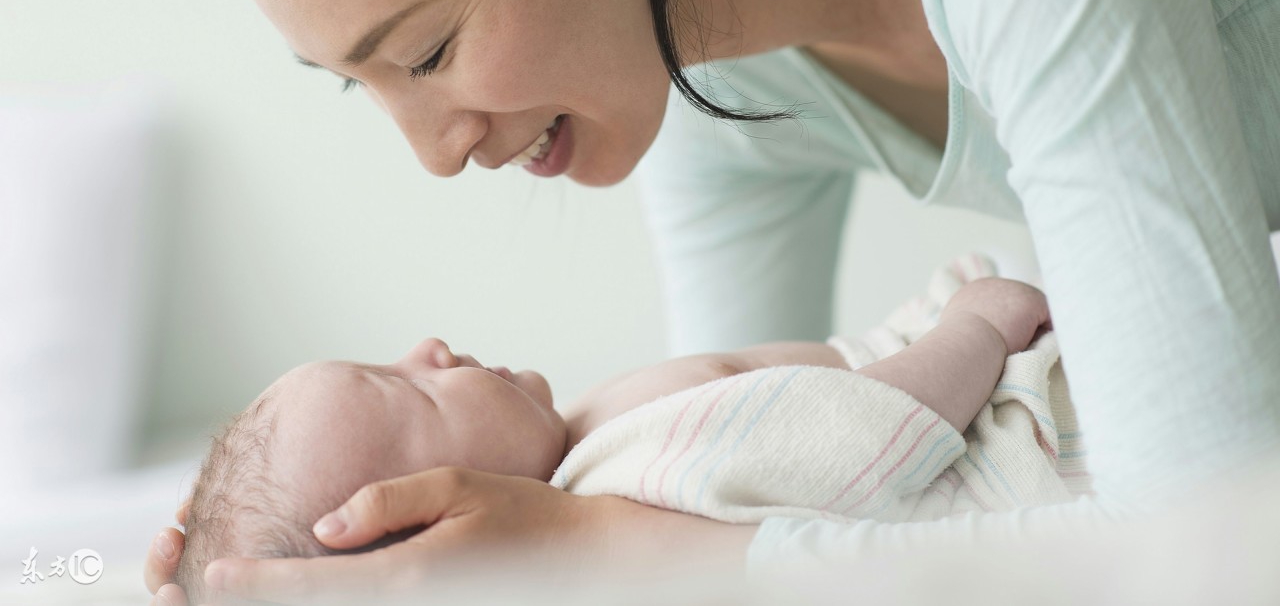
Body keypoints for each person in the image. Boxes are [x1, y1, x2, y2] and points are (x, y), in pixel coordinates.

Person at [147, 0, 1280, 602]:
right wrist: (268, 547)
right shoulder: (705, 76)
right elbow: (728, 474)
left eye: (428, 53)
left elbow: (1211, 546)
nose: (434, 151)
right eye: (364, 83)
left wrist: (587, 550)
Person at [175, 279, 1051, 604]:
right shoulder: (635, 465)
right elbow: (866, 438)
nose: (430, 350)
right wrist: (970, 329)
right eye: (410, 391)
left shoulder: (592, 463)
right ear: (450, 531)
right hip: (1008, 415)